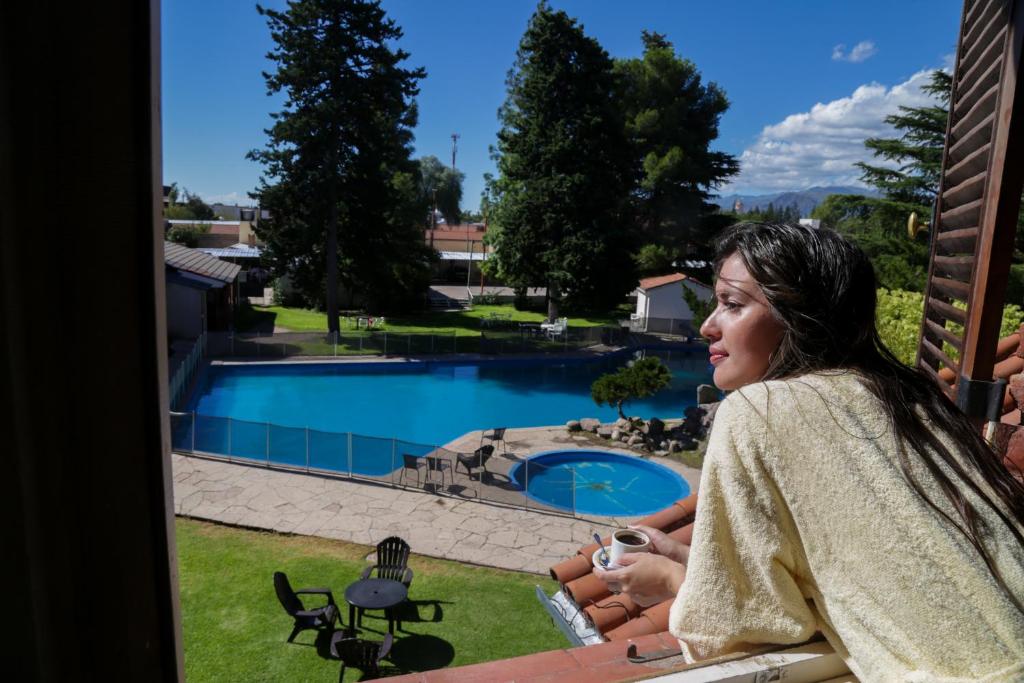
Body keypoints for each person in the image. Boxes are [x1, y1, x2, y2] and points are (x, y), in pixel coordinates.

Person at [594, 222, 1024, 681]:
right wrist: (690, 560)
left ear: (799, 316)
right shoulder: (915, 403)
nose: (706, 326)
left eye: (732, 305)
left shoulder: (757, 411)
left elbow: (744, 628)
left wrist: (669, 582)